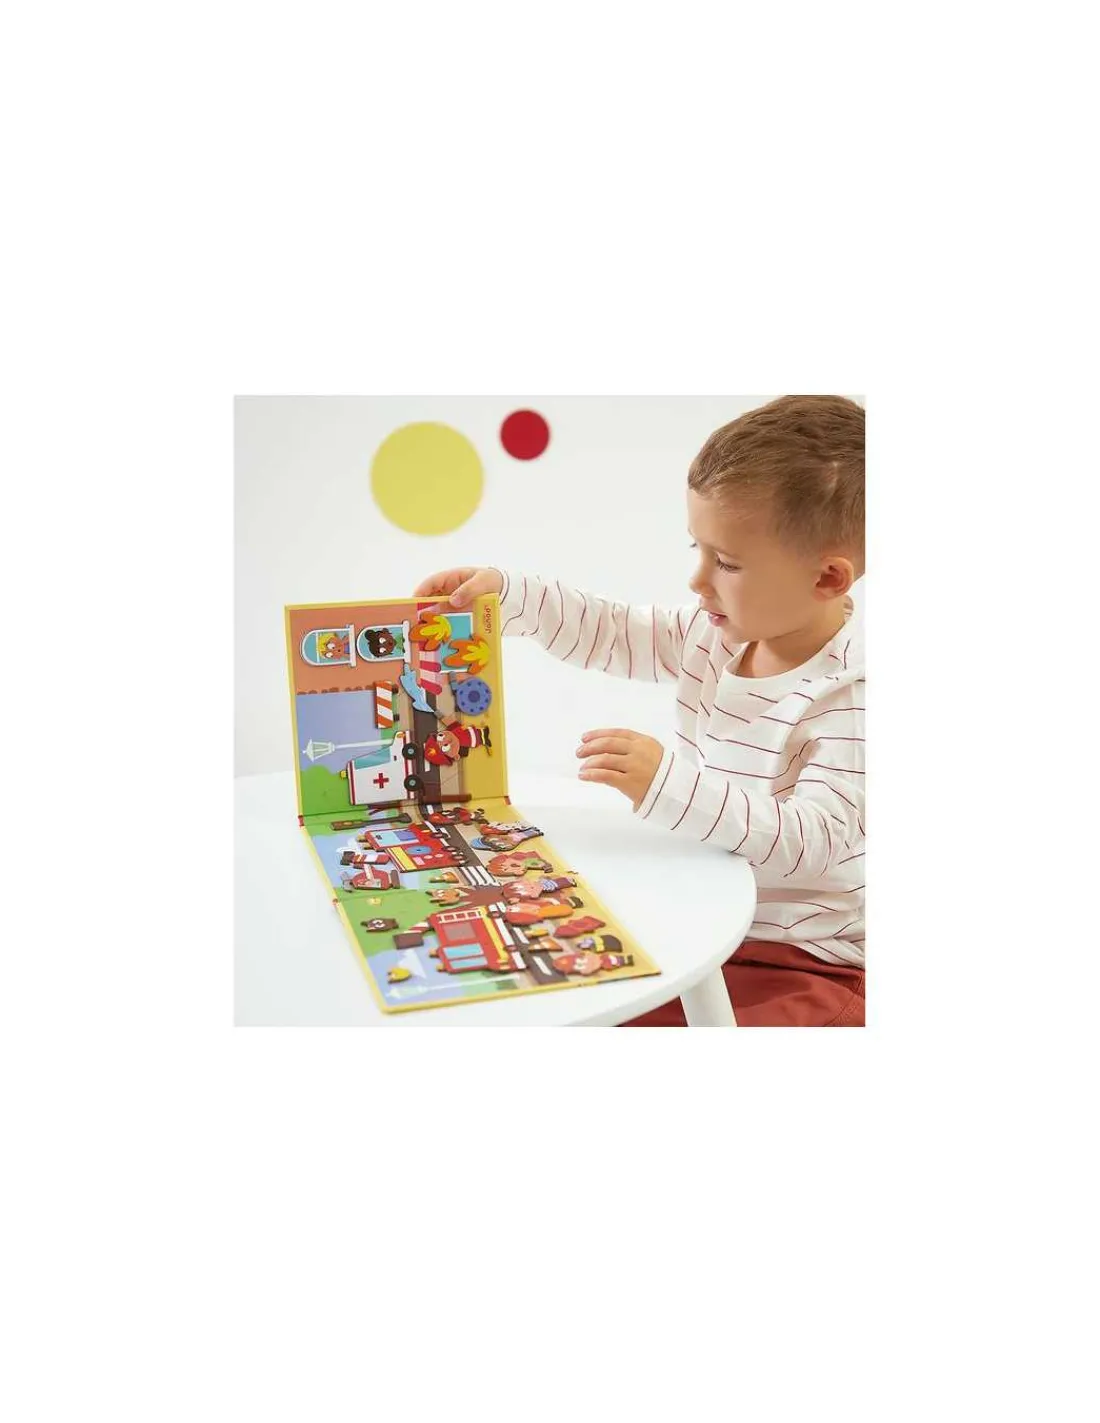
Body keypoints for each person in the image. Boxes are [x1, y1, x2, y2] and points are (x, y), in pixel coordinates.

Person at [414, 395, 865, 1026]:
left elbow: (814, 843)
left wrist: (669, 786)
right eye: (698, 549)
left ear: (827, 579)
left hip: (803, 957)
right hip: (705, 920)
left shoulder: (852, 694)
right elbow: (614, 631)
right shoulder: (716, 633)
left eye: (727, 563)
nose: (698, 580)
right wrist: (512, 598)